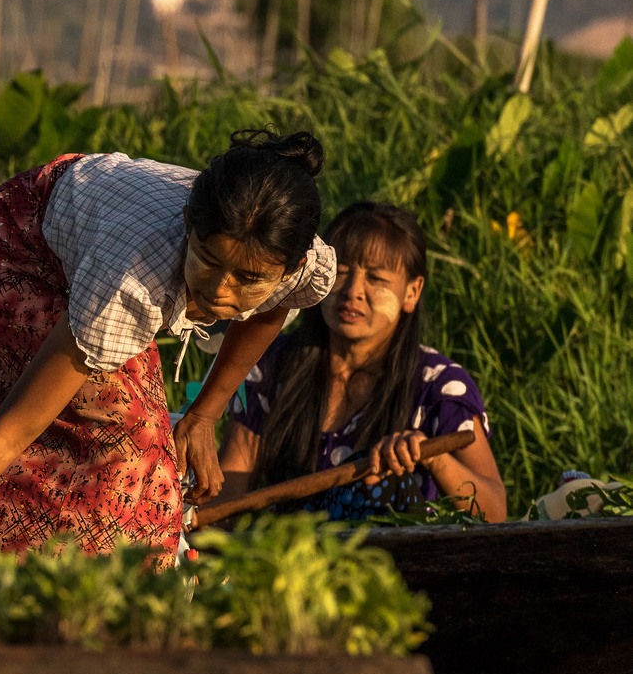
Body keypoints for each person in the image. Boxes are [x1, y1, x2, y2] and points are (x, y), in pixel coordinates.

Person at [0, 129, 337, 556]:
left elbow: (272, 308)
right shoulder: (129, 280)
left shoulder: (295, 256)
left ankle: (43, 561)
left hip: (85, 236)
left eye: (249, 279)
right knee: (131, 438)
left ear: (292, 266)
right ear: (188, 224)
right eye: (209, 261)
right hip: (7, 253)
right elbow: (13, 430)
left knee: (130, 445)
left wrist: (204, 413)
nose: (221, 290)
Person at [216, 201, 506, 521]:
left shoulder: (439, 386)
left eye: (376, 279)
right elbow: (230, 496)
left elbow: (494, 513)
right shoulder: (272, 365)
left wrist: (435, 458)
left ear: (412, 291)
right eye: (341, 272)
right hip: (291, 559)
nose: (353, 291)